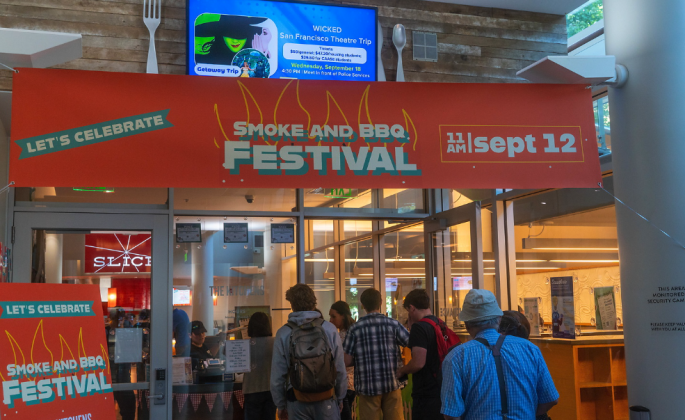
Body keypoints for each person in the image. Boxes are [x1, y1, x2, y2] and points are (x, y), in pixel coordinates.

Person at [441, 289, 559, 420]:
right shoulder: (530, 349)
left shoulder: (456, 358)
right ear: (499, 319)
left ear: (467, 324)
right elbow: (551, 399)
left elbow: (451, 415)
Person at [271, 284, 347, 420]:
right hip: (327, 399)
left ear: (292, 305)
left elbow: (277, 377)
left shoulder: (283, 333)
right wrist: (340, 398)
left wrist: (281, 406)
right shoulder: (329, 329)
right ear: (313, 303)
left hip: (297, 400)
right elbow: (340, 369)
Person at [342, 288, 409, 420]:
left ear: (362, 305)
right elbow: (411, 342)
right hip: (392, 383)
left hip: (367, 387)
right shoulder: (393, 324)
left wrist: (362, 358)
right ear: (381, 302)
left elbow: (347, 361)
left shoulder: (355, 328)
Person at [395, 289, 443, 420]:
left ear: (411, 308)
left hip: (426, 393)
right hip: (441, 388)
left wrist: (401, 371)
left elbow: (418, 362)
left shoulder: (419, 328)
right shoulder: (438, 323)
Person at [243, 311, 277, 420]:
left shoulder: (246, 345)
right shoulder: (275, 342)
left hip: (251, 389)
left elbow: (226, 352)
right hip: (271, 389)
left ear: (251, 327)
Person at [329, 301, 356, 420]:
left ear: (343, 316)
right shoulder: (354, 332)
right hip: (354, 382)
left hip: (344, 382)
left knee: (344, 415)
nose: (331, 320)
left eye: (333, 316)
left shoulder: (342, 336)